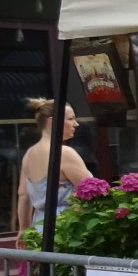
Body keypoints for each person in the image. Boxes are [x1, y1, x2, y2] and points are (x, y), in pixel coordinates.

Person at [14, 99, 93, 232]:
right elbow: (93, 192)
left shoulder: (29, 154)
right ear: (53, 122)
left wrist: (24, 230)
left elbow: (23, 196)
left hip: (39, 226)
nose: (76, 124)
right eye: (71, 119)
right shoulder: (64, 153)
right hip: (67, 226)